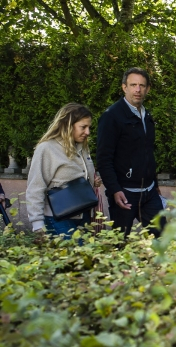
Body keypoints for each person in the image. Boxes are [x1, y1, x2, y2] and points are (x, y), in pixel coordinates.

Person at [96, 67, 163, 237]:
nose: (138, 89)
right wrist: (114, 190)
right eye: (133, 85)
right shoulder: (111, 116)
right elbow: (104, 159)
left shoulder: (146, 115)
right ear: (124, 87)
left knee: (163, 239)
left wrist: (154, 184)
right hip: (124, 195)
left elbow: (147, 152)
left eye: (142, 85)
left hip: (149, 194)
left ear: (148, 89)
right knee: (120, 243)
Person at [26, 103, 102, 238]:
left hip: (82, 214)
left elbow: (75, 175)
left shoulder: (82, 147)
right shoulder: (47, 148)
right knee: (74, 256)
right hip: (58, 218)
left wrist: (91, 180)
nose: (88, 132)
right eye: (83, 127)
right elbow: (35, 187)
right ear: (68, 125)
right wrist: (37, 224)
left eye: (89, 127)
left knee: (84, 257)